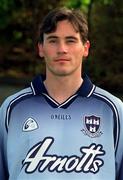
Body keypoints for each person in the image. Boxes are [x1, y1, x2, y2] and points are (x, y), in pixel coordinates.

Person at [0, 7, 123, 180]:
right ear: (41, 48)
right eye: (53, 40)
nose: (62, 49)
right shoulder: (12, 108)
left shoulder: (113, 110)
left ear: (85, 48)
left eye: (71, 40)